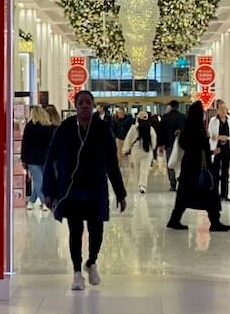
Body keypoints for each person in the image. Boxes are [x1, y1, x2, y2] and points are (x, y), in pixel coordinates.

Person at [43, 90, 127, 290]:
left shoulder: (102, 129)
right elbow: (50, 159)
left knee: (96, 230)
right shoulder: (65, 128)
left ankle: (91, 262)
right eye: (81, 102)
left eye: (88, 102)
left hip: (96, 188)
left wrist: (120, 193)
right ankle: (77, 273)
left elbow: (112, 163)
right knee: (75, 230)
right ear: (75, 105)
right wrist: (49, 190)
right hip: (70, 190)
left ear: (93, 105)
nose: (84, 106)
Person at [166, 101, 230, 232]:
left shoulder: (186, 131)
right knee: (210, 195)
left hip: (188, 168)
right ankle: (215, 222)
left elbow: (187, 146)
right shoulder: (199, 131)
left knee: (184, 196)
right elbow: (202, 149)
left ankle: (175, 219)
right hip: (200, 168)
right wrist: (210, 151)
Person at [19, 105, 53, 211]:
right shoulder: (49, 126)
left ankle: (44, 202)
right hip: (46, 157)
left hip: (33, 158)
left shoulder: (30, 126)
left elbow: (25, 144)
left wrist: (23, 159)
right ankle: (33, 202)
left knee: (38, 181)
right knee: (42, 181)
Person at [208, 99, 230, 203]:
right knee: (215, 172)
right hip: (217, 149)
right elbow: (209, 135)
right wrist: (218, 137)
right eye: (221, 109)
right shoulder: (213, 121)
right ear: (217, 110)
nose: (223, 111)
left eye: (224, 109)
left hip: (227, 149)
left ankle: (224, 194)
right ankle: (215, 194)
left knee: (225, 172)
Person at [121, 109, 157, 193]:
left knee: (137, 169)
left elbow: (128, 139)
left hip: (136, 151)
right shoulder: (150, 128)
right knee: (145, 169)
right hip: (147, 151)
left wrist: (125, 150)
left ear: (138, 119)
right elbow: (154, 140)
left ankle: (139, 185)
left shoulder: (133, 128)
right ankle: (142, 185)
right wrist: (153, 148)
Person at [160, 99, 185, 191]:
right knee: (181, 163)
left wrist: (161, 144)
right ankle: (182, 181)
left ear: (170, 106)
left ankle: (173, 184)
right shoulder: (182, 117)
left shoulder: (165, 117)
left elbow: (161, 132)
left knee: (170, 163)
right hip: (182, 144)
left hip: (169, 143)